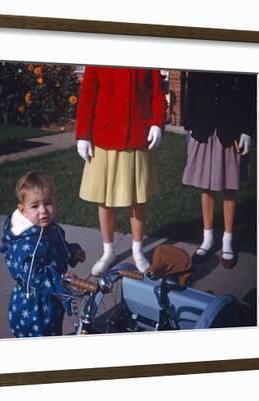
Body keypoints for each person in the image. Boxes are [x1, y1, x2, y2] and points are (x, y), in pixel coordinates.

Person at [75, 66, 167, 275]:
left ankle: (137, 250)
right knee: (105, 199)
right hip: (105, 134)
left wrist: (157, 122)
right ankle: (108, 251)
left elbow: (157, 93)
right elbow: (88, 95)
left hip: (137, 134)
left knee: (138, 198)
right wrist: (83, 134)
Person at [182, 71, 256, 268]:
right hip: (204, 125)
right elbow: (193, 88)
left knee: (229, 185)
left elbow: (250, 91)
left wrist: (248, 129)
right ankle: (208, 237)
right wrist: (188, 124)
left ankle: (227, 239)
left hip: (231, 126)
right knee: (205, 185)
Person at [0, 172, 86, 337]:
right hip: (33, 306)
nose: (43, 211)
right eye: (35, 206)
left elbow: (57, 248)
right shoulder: (24, 244)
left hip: (51, 299)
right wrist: (60, 277)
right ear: (22, 210)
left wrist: (73, 252)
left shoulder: (51, 228)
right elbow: (32, 275)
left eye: (48, 203)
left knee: (53, 331)